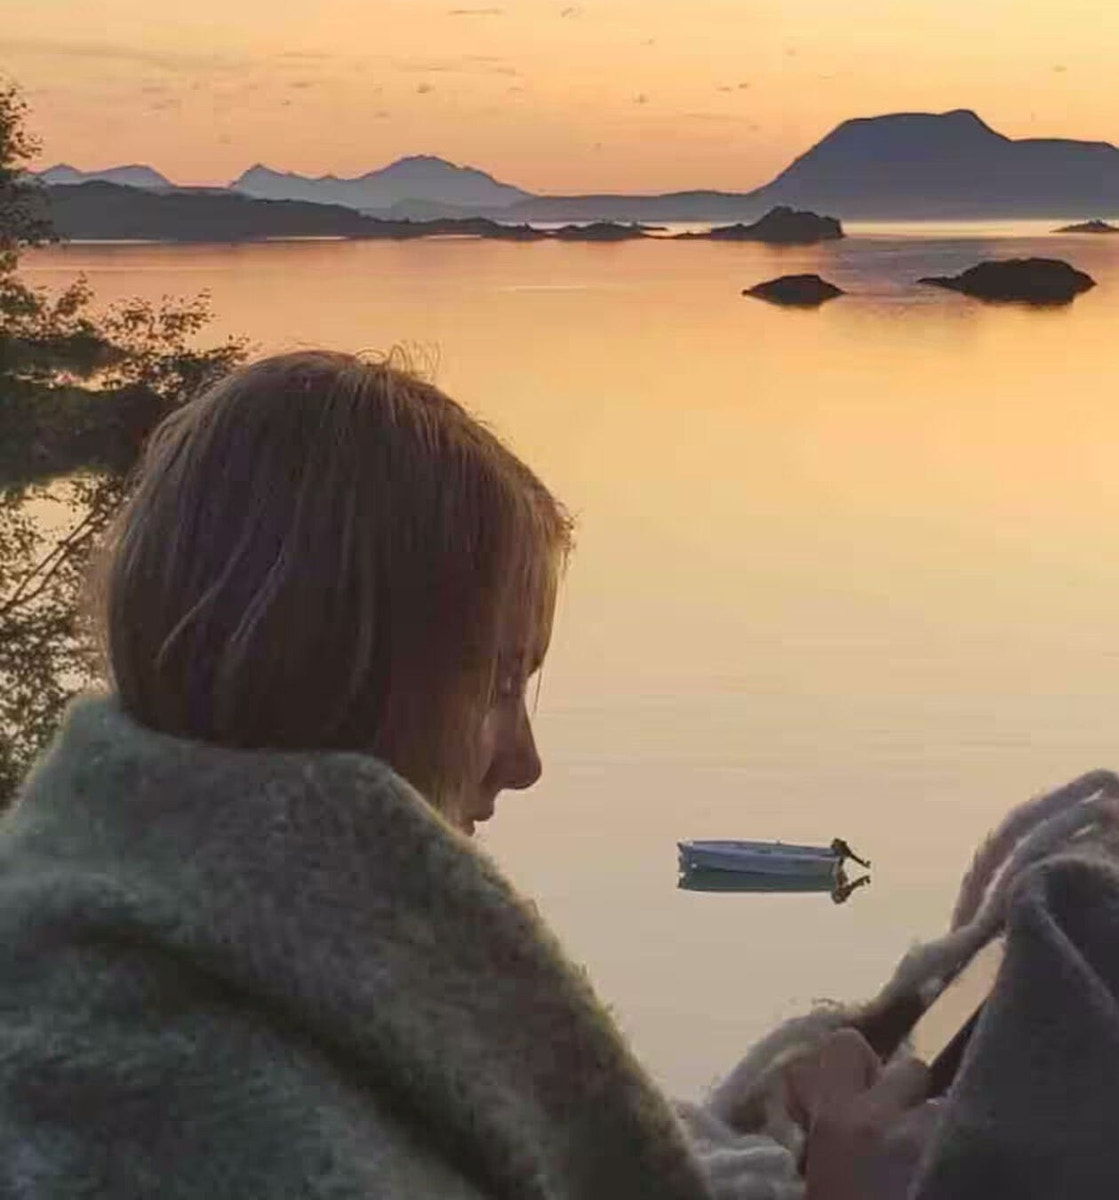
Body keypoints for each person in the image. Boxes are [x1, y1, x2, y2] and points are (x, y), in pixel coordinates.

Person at [0, 350, 924, 1199]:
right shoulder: (216, 1118)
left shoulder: (98, 938)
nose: (524, 764)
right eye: (499, 682)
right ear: (337, 667)